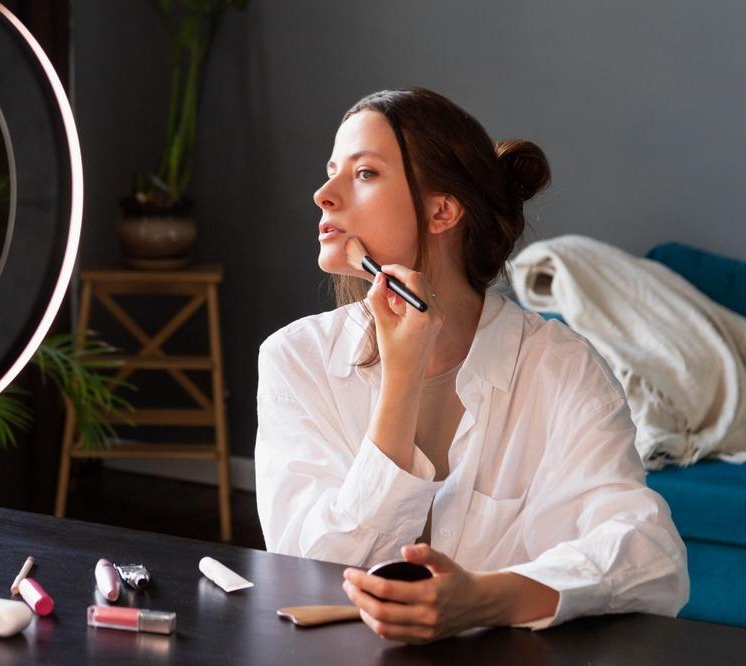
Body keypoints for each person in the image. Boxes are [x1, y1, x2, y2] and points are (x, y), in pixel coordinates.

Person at [254, 88, 689, 644]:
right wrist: (401, 381)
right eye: (331, 171)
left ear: (442, 210)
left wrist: (482, 599)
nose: (323, 195)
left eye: (363, 173)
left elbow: (650, 558)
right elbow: (306, 570)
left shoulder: (561, 368)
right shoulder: (295, 360)